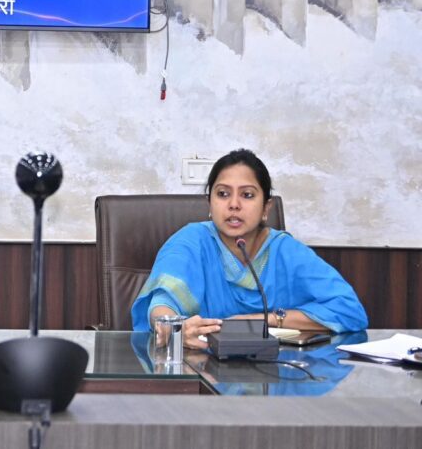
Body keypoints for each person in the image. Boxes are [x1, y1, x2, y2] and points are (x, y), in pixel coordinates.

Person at [132, 149, 367, 349]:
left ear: (266, 208)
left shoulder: (284, 251)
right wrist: (176, 328)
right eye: (223, 194)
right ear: (210, 203)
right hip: (199, 368)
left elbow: (349, 311)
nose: (234, 204)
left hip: (273, 373)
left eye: (247, 195)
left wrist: (261, 320)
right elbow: (161, 306)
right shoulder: (190, 242)